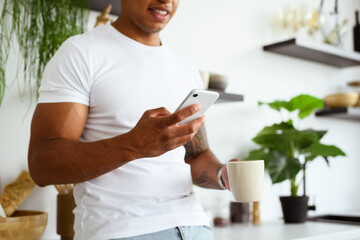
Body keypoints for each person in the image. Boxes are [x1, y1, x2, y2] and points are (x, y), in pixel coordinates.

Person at [28, 0, 232, 239]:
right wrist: (135, 144)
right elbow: (42, 164)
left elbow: (195, 155)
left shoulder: (186, 68)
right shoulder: (81, 53)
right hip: (122, 229)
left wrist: (222, 175)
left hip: (195, 226)